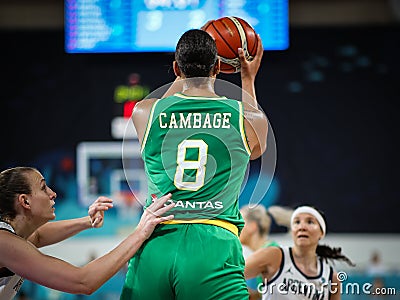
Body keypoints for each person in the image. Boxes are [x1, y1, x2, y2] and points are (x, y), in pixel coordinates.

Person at [121, 27, 267, 300]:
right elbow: (258, 150)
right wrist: (247, 78)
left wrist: (188, 61)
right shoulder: (247, 119)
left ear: (176, 68)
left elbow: (167, 98)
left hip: (156, 241)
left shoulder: (145, 112)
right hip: (214, 240)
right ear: (218, 68)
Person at [0, 166, 175, 299]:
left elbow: (38, 236)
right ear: (25, 201)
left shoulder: (13, 237)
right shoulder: (4, 242)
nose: (52, 193)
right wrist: (139, 233)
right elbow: (83, 281)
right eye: (44, 187)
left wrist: (88, 221)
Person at [245, 206, 354, 300]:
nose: (302, 227)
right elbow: (231, 275)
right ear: (292, 231)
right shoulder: (274, 255)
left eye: (310, 222)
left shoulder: (331, 277)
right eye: (297, 222)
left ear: (322, 233)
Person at [240, 204, 293, 300]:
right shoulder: (269, 249)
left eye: (240, 221)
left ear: (252, 227)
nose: (235, 227)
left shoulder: (269, 252)